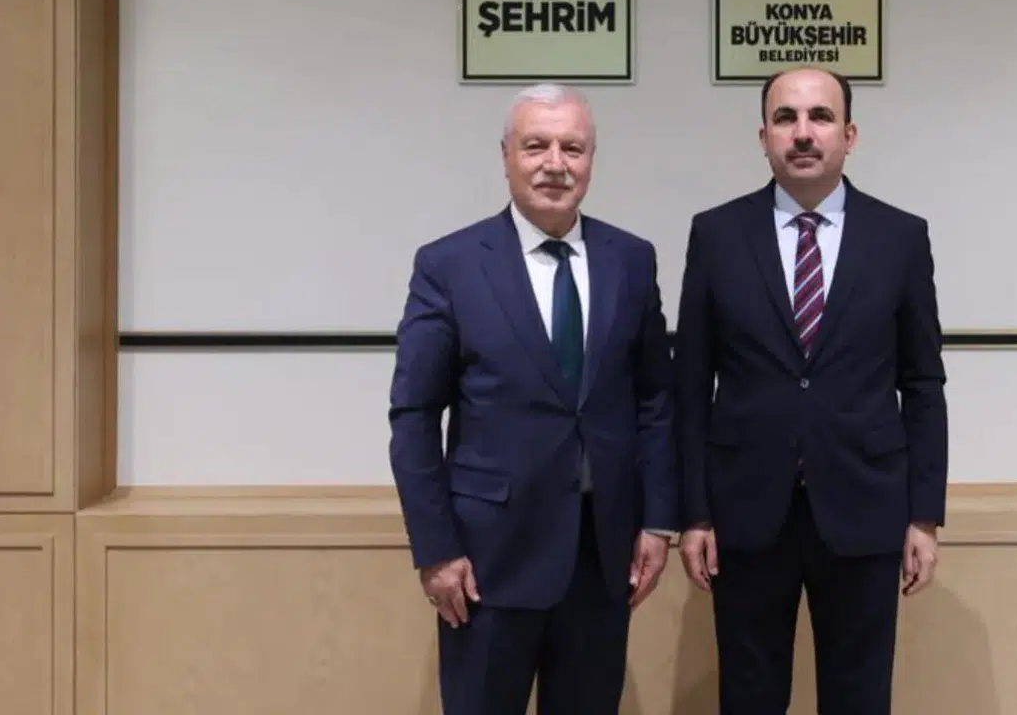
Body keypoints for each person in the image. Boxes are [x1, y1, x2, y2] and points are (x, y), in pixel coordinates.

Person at [388, 83, 678, 715]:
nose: (555, 163)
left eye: (572, 148)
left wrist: (658, 521)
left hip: (602, 557)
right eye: (536, 146)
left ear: (592, 158)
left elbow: (655, 399)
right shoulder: (450, 264)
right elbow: (414, 417)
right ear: (506, 156)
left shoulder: (631, 260)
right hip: (485, 562)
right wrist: (436, 550)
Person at [674, 66, 949, 715]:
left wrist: (924, 515)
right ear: (763, 136)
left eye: (820, 117)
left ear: (849, 135)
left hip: (865, 508)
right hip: (745, 511)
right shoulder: (716, 235)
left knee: (859, 698)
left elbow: (922, 382)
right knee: (749, 696)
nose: (803, 133)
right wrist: (694, 513)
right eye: (786, 118)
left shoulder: (900, 238)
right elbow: (689, 384)